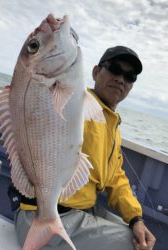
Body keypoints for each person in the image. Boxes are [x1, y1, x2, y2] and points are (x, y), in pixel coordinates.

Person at [10, 45, 156, 250]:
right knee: (131, 244)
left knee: (137, 235)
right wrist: (57, 47)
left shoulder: (111, 125)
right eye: (114, 69)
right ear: (96, 72)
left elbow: (115, 178)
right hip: (40, 215)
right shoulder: (72, 103)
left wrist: (135, 217)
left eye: (130, 76)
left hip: (79, 211)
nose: (121, 79)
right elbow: (42, 101)